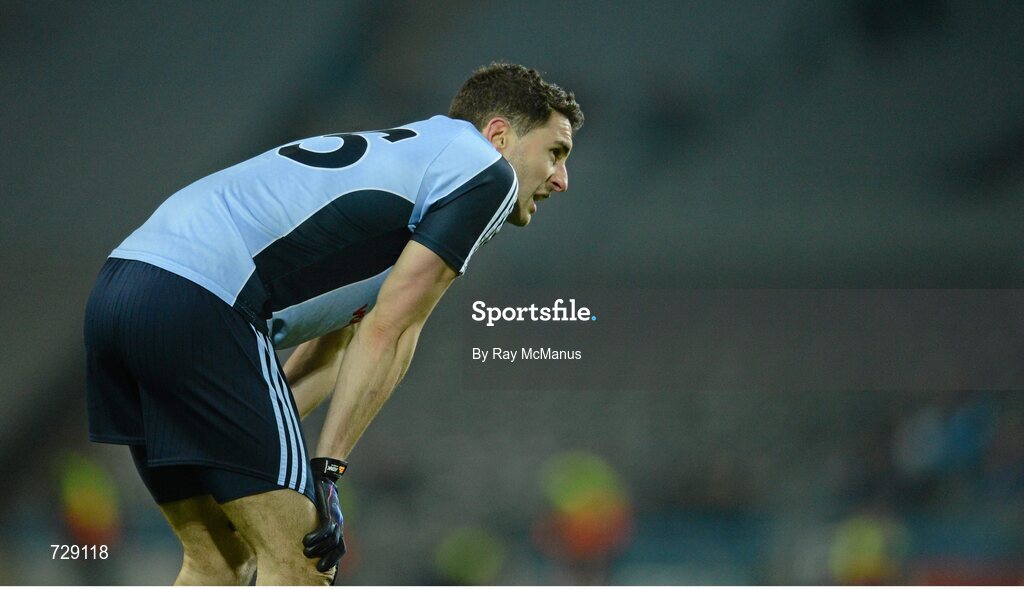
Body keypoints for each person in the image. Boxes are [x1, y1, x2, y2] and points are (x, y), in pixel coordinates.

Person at [84, 62, 583, 585]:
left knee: (219, 560)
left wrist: (283, 454)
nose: (562, 179)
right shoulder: (486, 172)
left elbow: (338, 344)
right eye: (556, 152)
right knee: (301, 563)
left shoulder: (408, 164)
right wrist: (327, 469)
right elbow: (392, 330)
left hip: (122, 288)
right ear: (499, 136)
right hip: (203, 300)